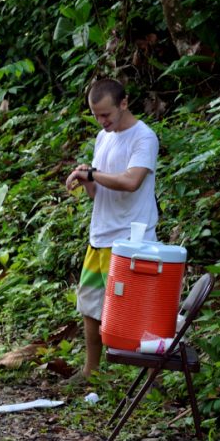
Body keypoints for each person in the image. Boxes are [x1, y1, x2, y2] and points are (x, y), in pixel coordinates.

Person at [64, 77, 158, 383]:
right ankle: (91, 371)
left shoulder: (143, 137)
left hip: (132, 239)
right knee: (90, 306)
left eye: (106, 114)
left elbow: (132, 182)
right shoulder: (103, 138)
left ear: (124, 103)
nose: (102, 121)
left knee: (136, 312)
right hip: (100, 235)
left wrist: (94, 173)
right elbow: (97, 192)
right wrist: (85, 178)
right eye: (96, 116)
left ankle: (148, 379)